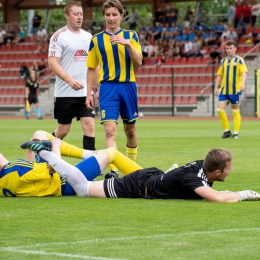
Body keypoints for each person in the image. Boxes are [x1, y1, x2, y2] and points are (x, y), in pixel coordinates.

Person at [20, 139, 260, 202]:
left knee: (84, 185)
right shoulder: (194, 178)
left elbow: (211, 191)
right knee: (82, 190)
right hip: (136, 185)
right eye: (228, 168)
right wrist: (244, 194)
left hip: (150, 177)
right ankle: (45, 152)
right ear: (217, 171)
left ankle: (48, 152)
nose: (231, 170)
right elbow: (217, 198)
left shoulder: (203, 165)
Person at [86, 0, 142, 178]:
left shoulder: (131, 36)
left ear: (121, 15)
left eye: (114, 14)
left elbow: (139, 62)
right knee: (110, 131)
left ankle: (131, 167)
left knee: (130, 130)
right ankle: (114, 170)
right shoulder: (96, 40)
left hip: (128, 87)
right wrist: (90, 92)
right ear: (104, 16)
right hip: (108, 88)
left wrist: (127, 44)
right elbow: (91, 67)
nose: (111, 18)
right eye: (108, 15)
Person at [0, 130, 142, 197]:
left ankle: (88, 154)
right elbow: (55, 167)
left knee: (39, 134)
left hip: (49, 184)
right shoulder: (17, 169)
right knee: (112, 153)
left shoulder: (5, 178)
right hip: (66, 183)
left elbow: (30, 177)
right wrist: (55, 146)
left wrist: (31, 151)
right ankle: (148, 178)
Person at [48, 1, 96, 151]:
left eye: (81, 14)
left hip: (85, 93)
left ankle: (90, 168)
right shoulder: (59, 36)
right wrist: (69, 80)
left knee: (89, 125)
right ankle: (42, 149)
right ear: (66, 15)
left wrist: (96, 87)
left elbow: (94, 65)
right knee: (63, 130)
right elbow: (53, 63)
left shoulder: (89, 37)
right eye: (76, 14)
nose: (79, 17)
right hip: (65, 93)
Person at [214, 40, 248, 139]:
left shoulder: (240, 60)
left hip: (235, 90)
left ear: (235, 49)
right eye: (227, 48)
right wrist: (216, 87)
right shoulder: (223, 60)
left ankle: (236, 133)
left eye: (230, 48)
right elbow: (220, 75)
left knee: (235, 111)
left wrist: (242, 84)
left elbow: (244, 72)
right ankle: (227, 131)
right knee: (220, 110)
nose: (228, 50)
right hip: (224, 90)